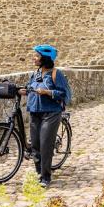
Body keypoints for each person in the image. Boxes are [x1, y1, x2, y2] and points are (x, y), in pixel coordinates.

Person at [20, 44, 72, 188]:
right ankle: (38, 174)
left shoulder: (56, 74)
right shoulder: (35, 74)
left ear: (45, 59)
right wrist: (23, 91)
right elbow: (30, 89)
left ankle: (46, 177)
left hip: (51, 113)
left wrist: (48, 92)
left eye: (37, 56)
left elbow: (63, 93)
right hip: (35, 112)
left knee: (45, 145)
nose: (34, 58)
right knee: (35, 145)